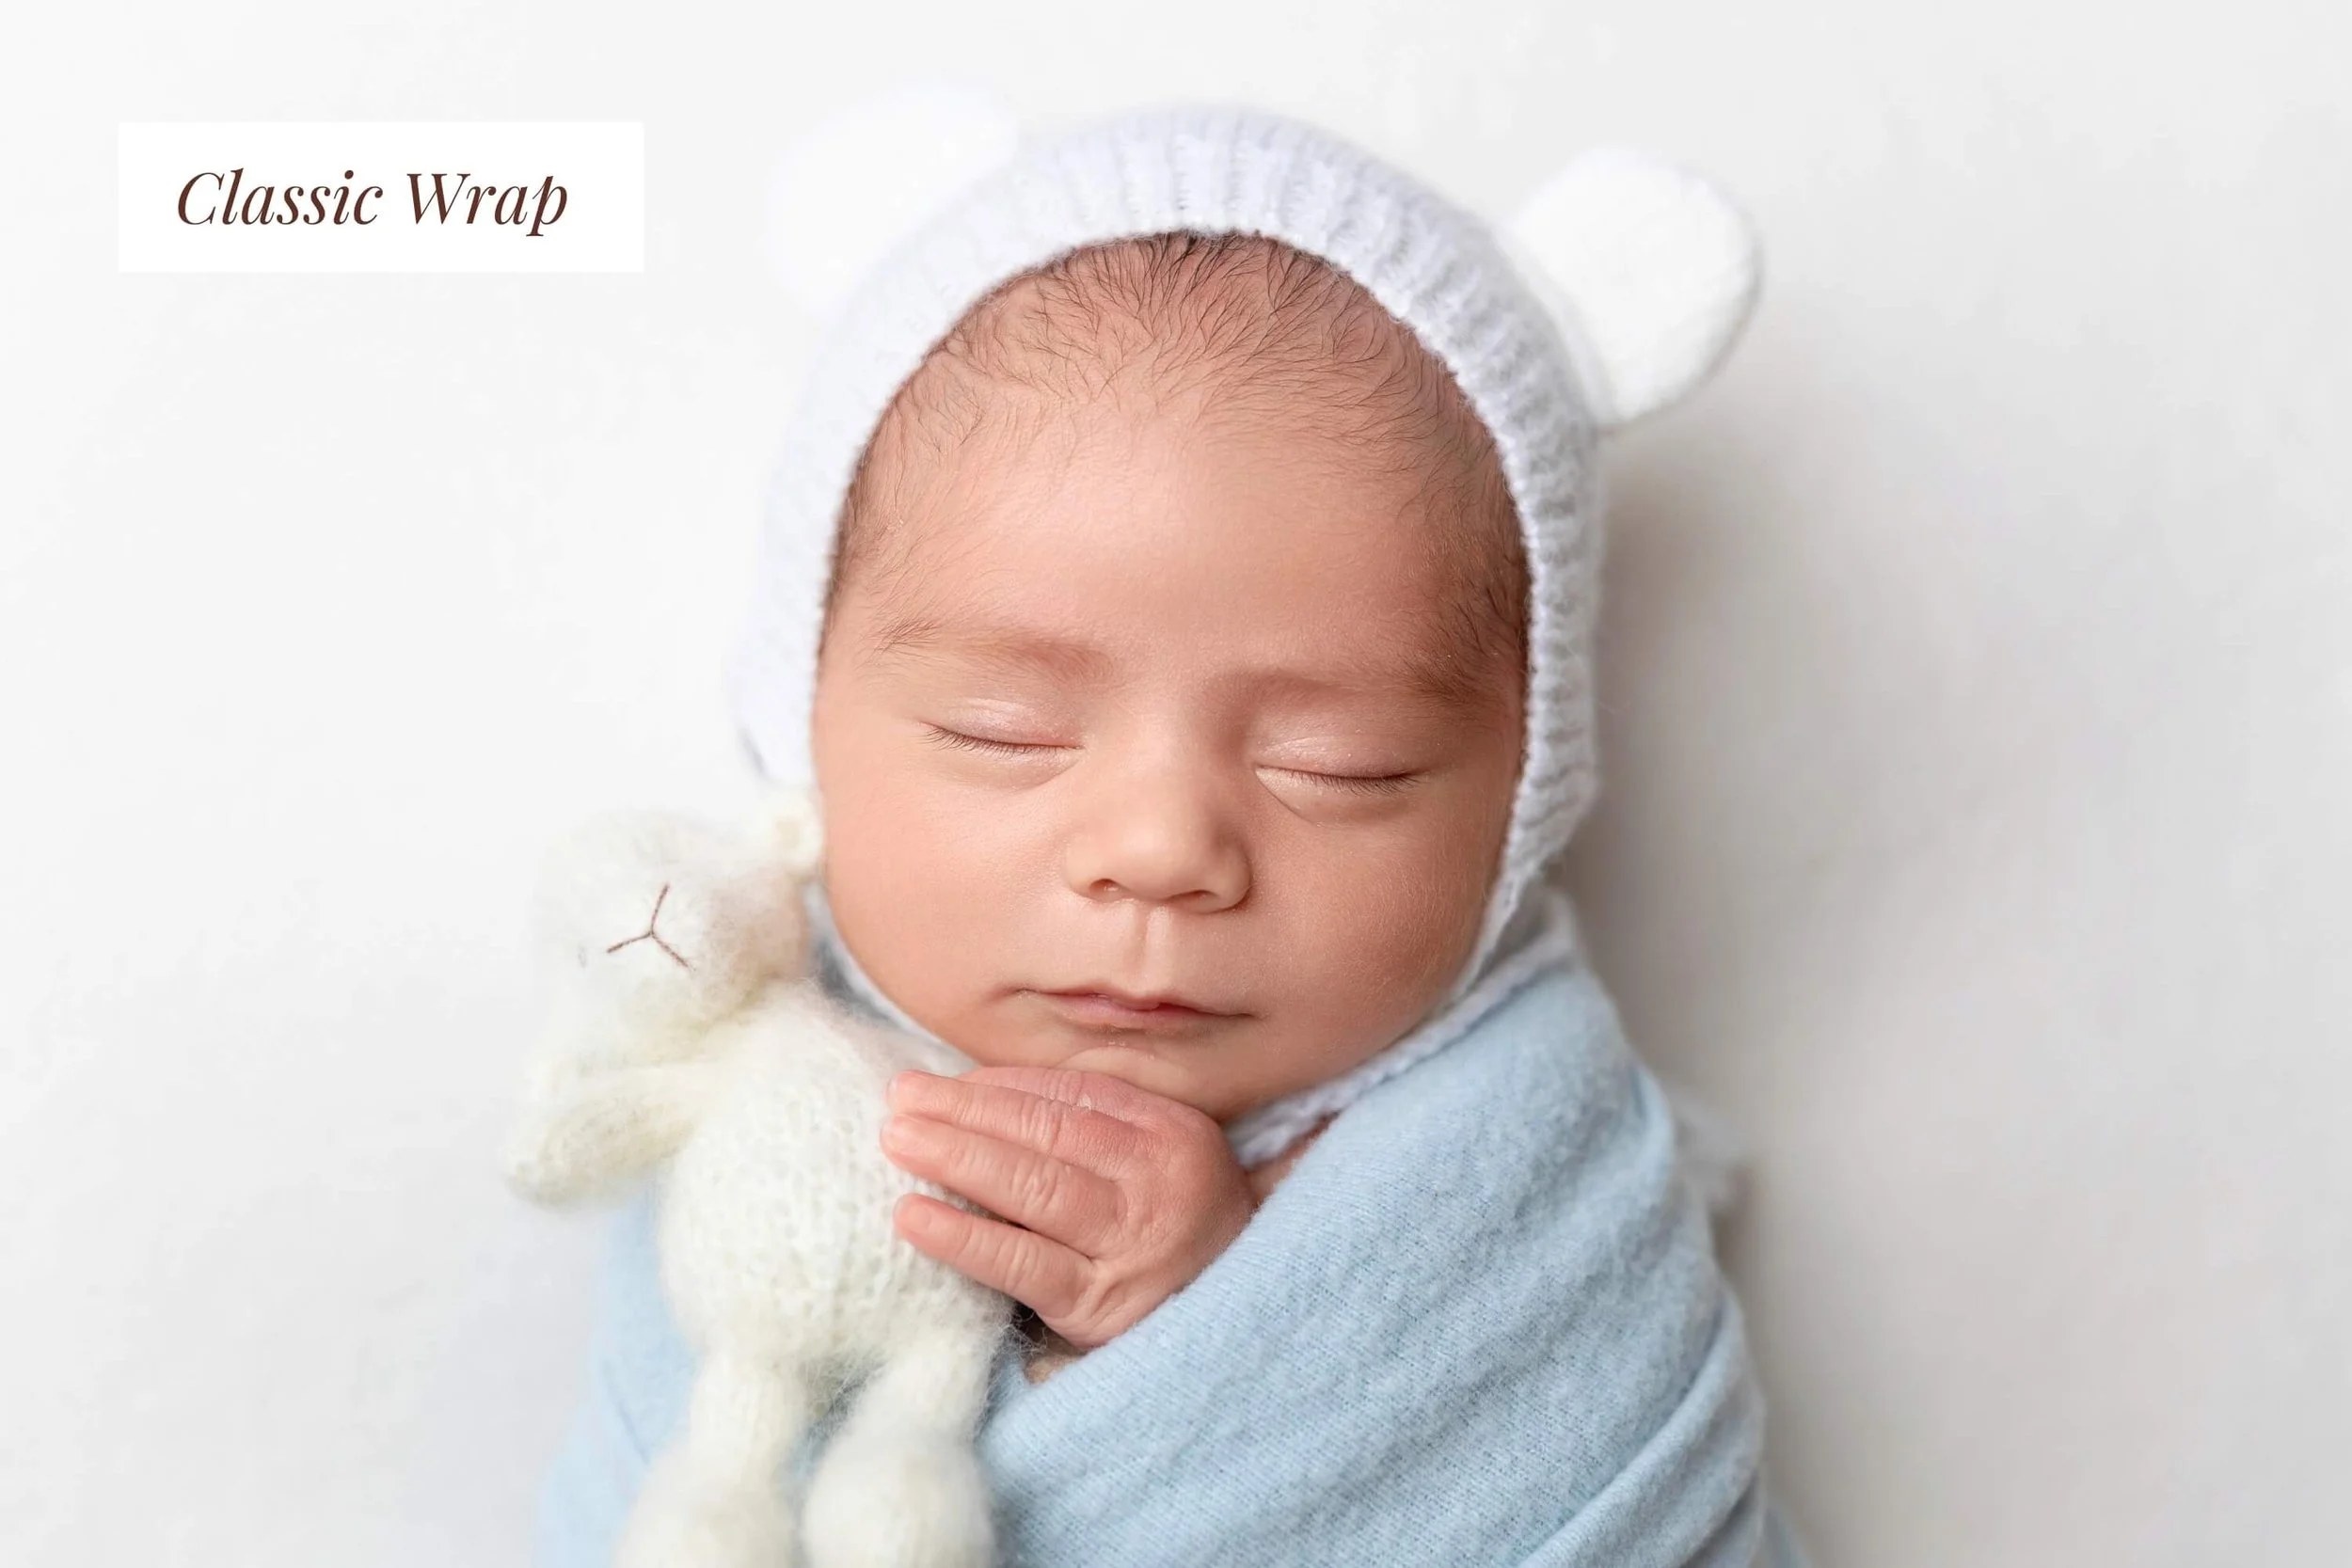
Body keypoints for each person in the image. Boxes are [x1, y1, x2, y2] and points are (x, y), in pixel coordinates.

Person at [535, 101, 1808, 1566]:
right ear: (802, 726)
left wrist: (1230, 1317)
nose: (1157, 849)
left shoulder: (1533, 1186)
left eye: (1345, 764)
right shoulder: (752, 1062)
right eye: (1003, 731)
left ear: (1521, 803)